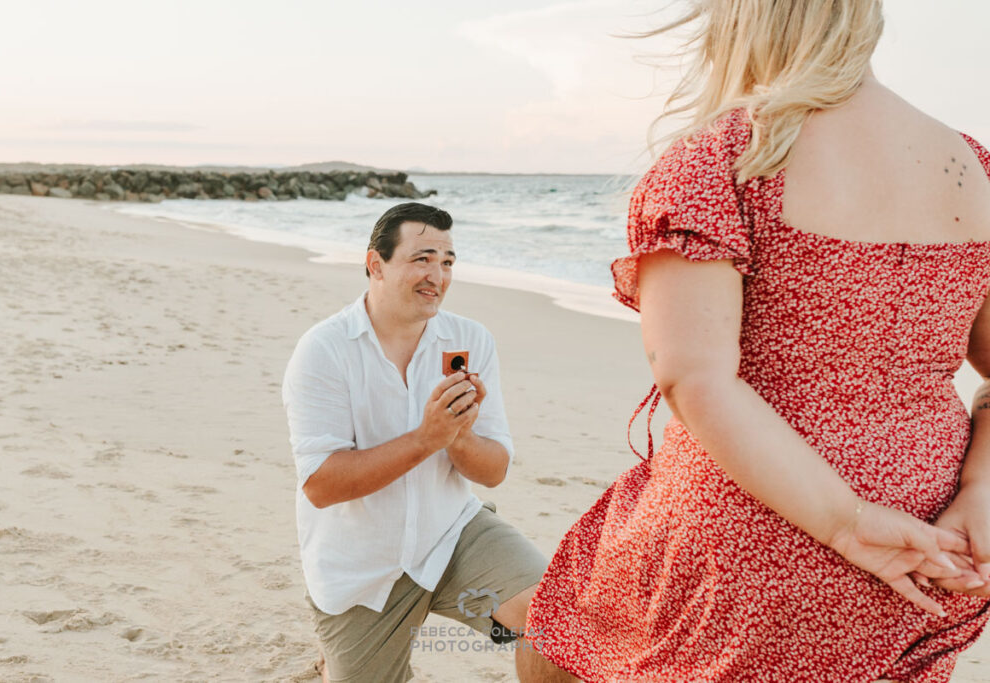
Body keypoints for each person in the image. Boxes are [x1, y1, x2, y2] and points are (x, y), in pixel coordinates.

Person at [518, 1, 990, 681]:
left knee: (559, 635)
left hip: (747, 540)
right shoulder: (973, 166)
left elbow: (694, 378)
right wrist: (979, 489)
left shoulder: (722, 158)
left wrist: (847, 522)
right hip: (930, 544)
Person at [282, 202, 547, 682]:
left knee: (561, 616)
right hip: (360, 570)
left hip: (450, 536)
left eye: (447, 262)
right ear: (375, 265)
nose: (438, 276)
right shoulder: (323, 350)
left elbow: (494, 471)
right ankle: (336, 660)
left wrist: (460, 437)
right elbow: (322, 485)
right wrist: (427, 438)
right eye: (422, 258)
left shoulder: (470, 340)